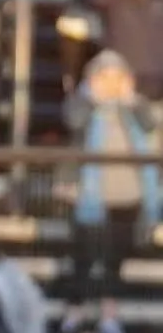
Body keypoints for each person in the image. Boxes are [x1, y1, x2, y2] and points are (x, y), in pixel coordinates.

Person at [65, 51, 159, 299]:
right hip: (91, 193)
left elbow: (150, 124)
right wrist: (92, 98)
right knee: (86, 254)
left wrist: (131, 100)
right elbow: (74, 121)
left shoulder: (136, 105)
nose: (111, 84)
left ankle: (110, 308)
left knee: (118, 258)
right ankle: (78, 307)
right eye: (105, 77)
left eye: (117, 77)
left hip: (129, 193)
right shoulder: (81, 104)